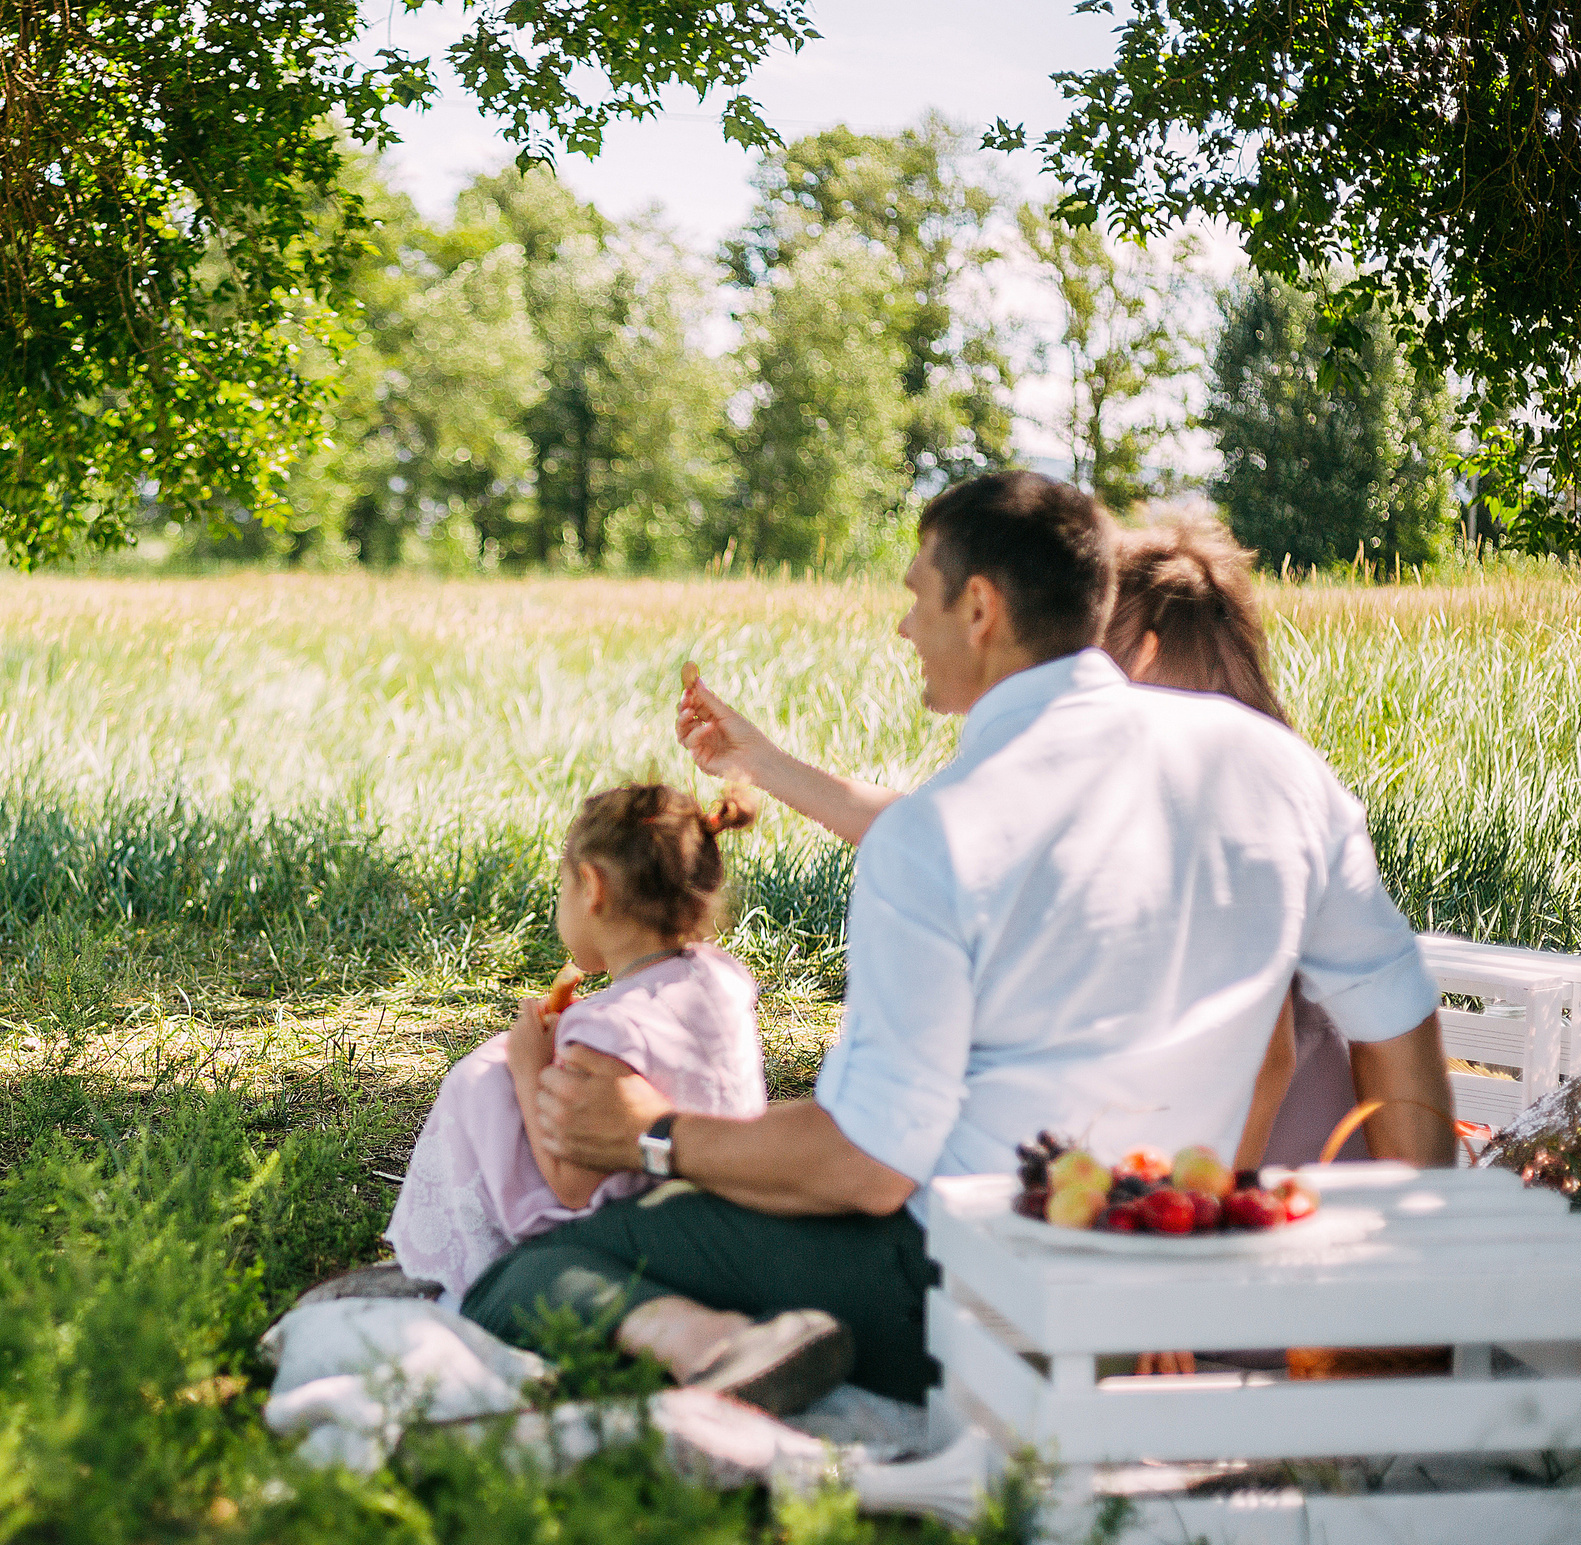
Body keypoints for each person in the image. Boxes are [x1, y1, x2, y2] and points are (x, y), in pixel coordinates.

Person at [463, 472, 1455, 1406]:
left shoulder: (935, 834)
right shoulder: (1272, 766)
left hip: (982, 1295)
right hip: (1171, 1255)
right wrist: (1418, 1282)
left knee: (531, 1275)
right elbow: (1395, 1015)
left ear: (978, 609)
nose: (903, 626)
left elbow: (867, 1168)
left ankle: (721, 1348)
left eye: (915, 595)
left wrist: (646, 1133)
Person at [698, 505, 1360, 1171]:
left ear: (1136, 657)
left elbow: (1266, 1067)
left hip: (1254, 1172)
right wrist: (763, 762)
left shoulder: (1185, 787)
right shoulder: (1199, 765)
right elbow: (951, 837)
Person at [383, 785, 770, 1310]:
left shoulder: (603, 1027)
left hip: (634, 1232)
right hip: (729, 1201)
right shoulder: (721, 979)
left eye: (562, 885)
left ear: (591, 886)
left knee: (483, 1078)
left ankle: (470, 1267)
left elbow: (575, 1186)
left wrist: (528, 1068)